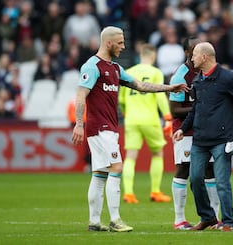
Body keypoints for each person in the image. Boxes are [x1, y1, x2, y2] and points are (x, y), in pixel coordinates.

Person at [71, 26, 187, 232]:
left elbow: (141, 86)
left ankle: (95, 222)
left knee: (99, 174)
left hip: (109, 127)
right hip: (100, 127)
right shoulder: (92, 66)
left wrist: (169, 88)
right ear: (108, 43)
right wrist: (79, 124)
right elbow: (81, 95)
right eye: (120, 42)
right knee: (116, 167)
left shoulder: (115, 69)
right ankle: (115, 220)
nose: (124, 46)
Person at [172, 42, 233, 232]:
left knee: (222, 182)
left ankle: (228, 221)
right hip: (200, 140)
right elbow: (196, 108)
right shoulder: (198, 81)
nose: (192, 59)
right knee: (196, 179)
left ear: (205, 57)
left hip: (221, 139)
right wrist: (183, 128)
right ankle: (208, 217)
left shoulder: (228, 78)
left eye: (195, 55)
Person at [169, 37, 221, 230]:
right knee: (183, 168)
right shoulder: (180, 76)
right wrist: (200, 109)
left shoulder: (208, 72)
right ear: (188, 53)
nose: (199, 51)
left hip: (206, 131)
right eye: (195, 48)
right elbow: (174, 110)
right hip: (186, 132)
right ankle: (179, 219)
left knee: (210, 170)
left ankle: (214, 218)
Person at [119, 43, 172, 204]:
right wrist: (168, 117)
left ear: (140, 55)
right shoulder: (156, 72)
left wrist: (126, 113)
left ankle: (128, 193)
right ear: (153, 56)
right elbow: (160, 96)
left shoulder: (128, 72)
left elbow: (121, 99)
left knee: (130, 157)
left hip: (131, 120)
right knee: (157, 154)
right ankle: (155, 191)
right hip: (150, 119)